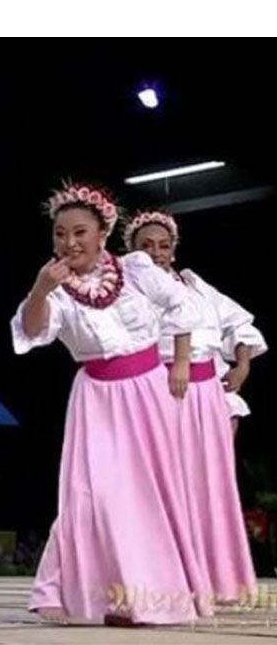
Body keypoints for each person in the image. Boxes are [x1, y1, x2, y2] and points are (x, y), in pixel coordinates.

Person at [12, 182, 210, 625]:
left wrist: (180, 362)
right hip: (98, 399)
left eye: (79, 232)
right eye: (60, 234)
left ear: (102, 233)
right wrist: (40, 290)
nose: (69, 242)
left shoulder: (136, 269)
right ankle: (92, 593)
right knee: (93, 495)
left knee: (149, 494)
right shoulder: (57, 292)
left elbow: (183, 307)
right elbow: (33, 331)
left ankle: (141, 598)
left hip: (149, 392)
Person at [126, 209, 264, 605]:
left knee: (209, 485)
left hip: (208, 390)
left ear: (174, 248)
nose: (156, 252)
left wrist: (242, 365)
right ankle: (164, 576)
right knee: (166, 485)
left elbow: (239, 325)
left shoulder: (194, 284)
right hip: (160, 387)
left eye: (163, 245)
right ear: (132, 250)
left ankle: (213, 575)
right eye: (146, 246)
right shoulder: (129, 288)